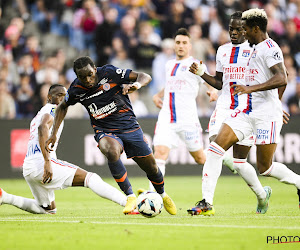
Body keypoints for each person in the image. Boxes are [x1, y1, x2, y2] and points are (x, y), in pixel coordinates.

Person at [187, 8, 300, 216]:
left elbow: (282, 78)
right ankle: (206, 203)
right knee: (215, 148)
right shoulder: (233, 49)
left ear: (252, 28)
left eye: (243, 29)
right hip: (244, 110)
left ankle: (297, 183)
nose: (239, 33)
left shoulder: (268, 47)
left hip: (265, 114)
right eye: (233, 29)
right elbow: (224, 82)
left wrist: (276, 104)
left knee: (264, 168)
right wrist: (206, 77)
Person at [45, 56, 177, 215]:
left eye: (90, 74)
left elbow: (145, 76)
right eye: (82, 77)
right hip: (105, 130)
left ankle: (162, 194)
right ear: (76, 76)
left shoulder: (110, 72)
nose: (87, 79)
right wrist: (53, 134)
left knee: (152, 167)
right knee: (110, 151)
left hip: (129, 126)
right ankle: (130, 196)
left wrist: (136, 85)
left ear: (95, 68)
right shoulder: (76, 89)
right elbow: (62, 107)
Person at [0, 84, 130, 214]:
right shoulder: (52, 109)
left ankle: (5, 197)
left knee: (47, 209)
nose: (63, 98)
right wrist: (47, 162)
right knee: (91, 178)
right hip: (41, 163)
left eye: (65, 95)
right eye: (59, 95)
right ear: (49, 97)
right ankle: (128, 202)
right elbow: (42, 127)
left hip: (29, 167)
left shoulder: (39, 113)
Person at [144, 28, 234, 192]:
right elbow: (171, 84)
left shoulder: (196, 65)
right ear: (174, 45)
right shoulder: (169, 64)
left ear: (190, 46)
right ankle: (154, 195)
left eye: (184, 43)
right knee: (160, 153)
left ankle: (224, 157)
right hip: (167, 117)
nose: (180, 46)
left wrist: (213, 92)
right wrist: (158, 95)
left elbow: (210, 82)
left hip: (187, 119)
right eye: (178, 42)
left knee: (200, 158)